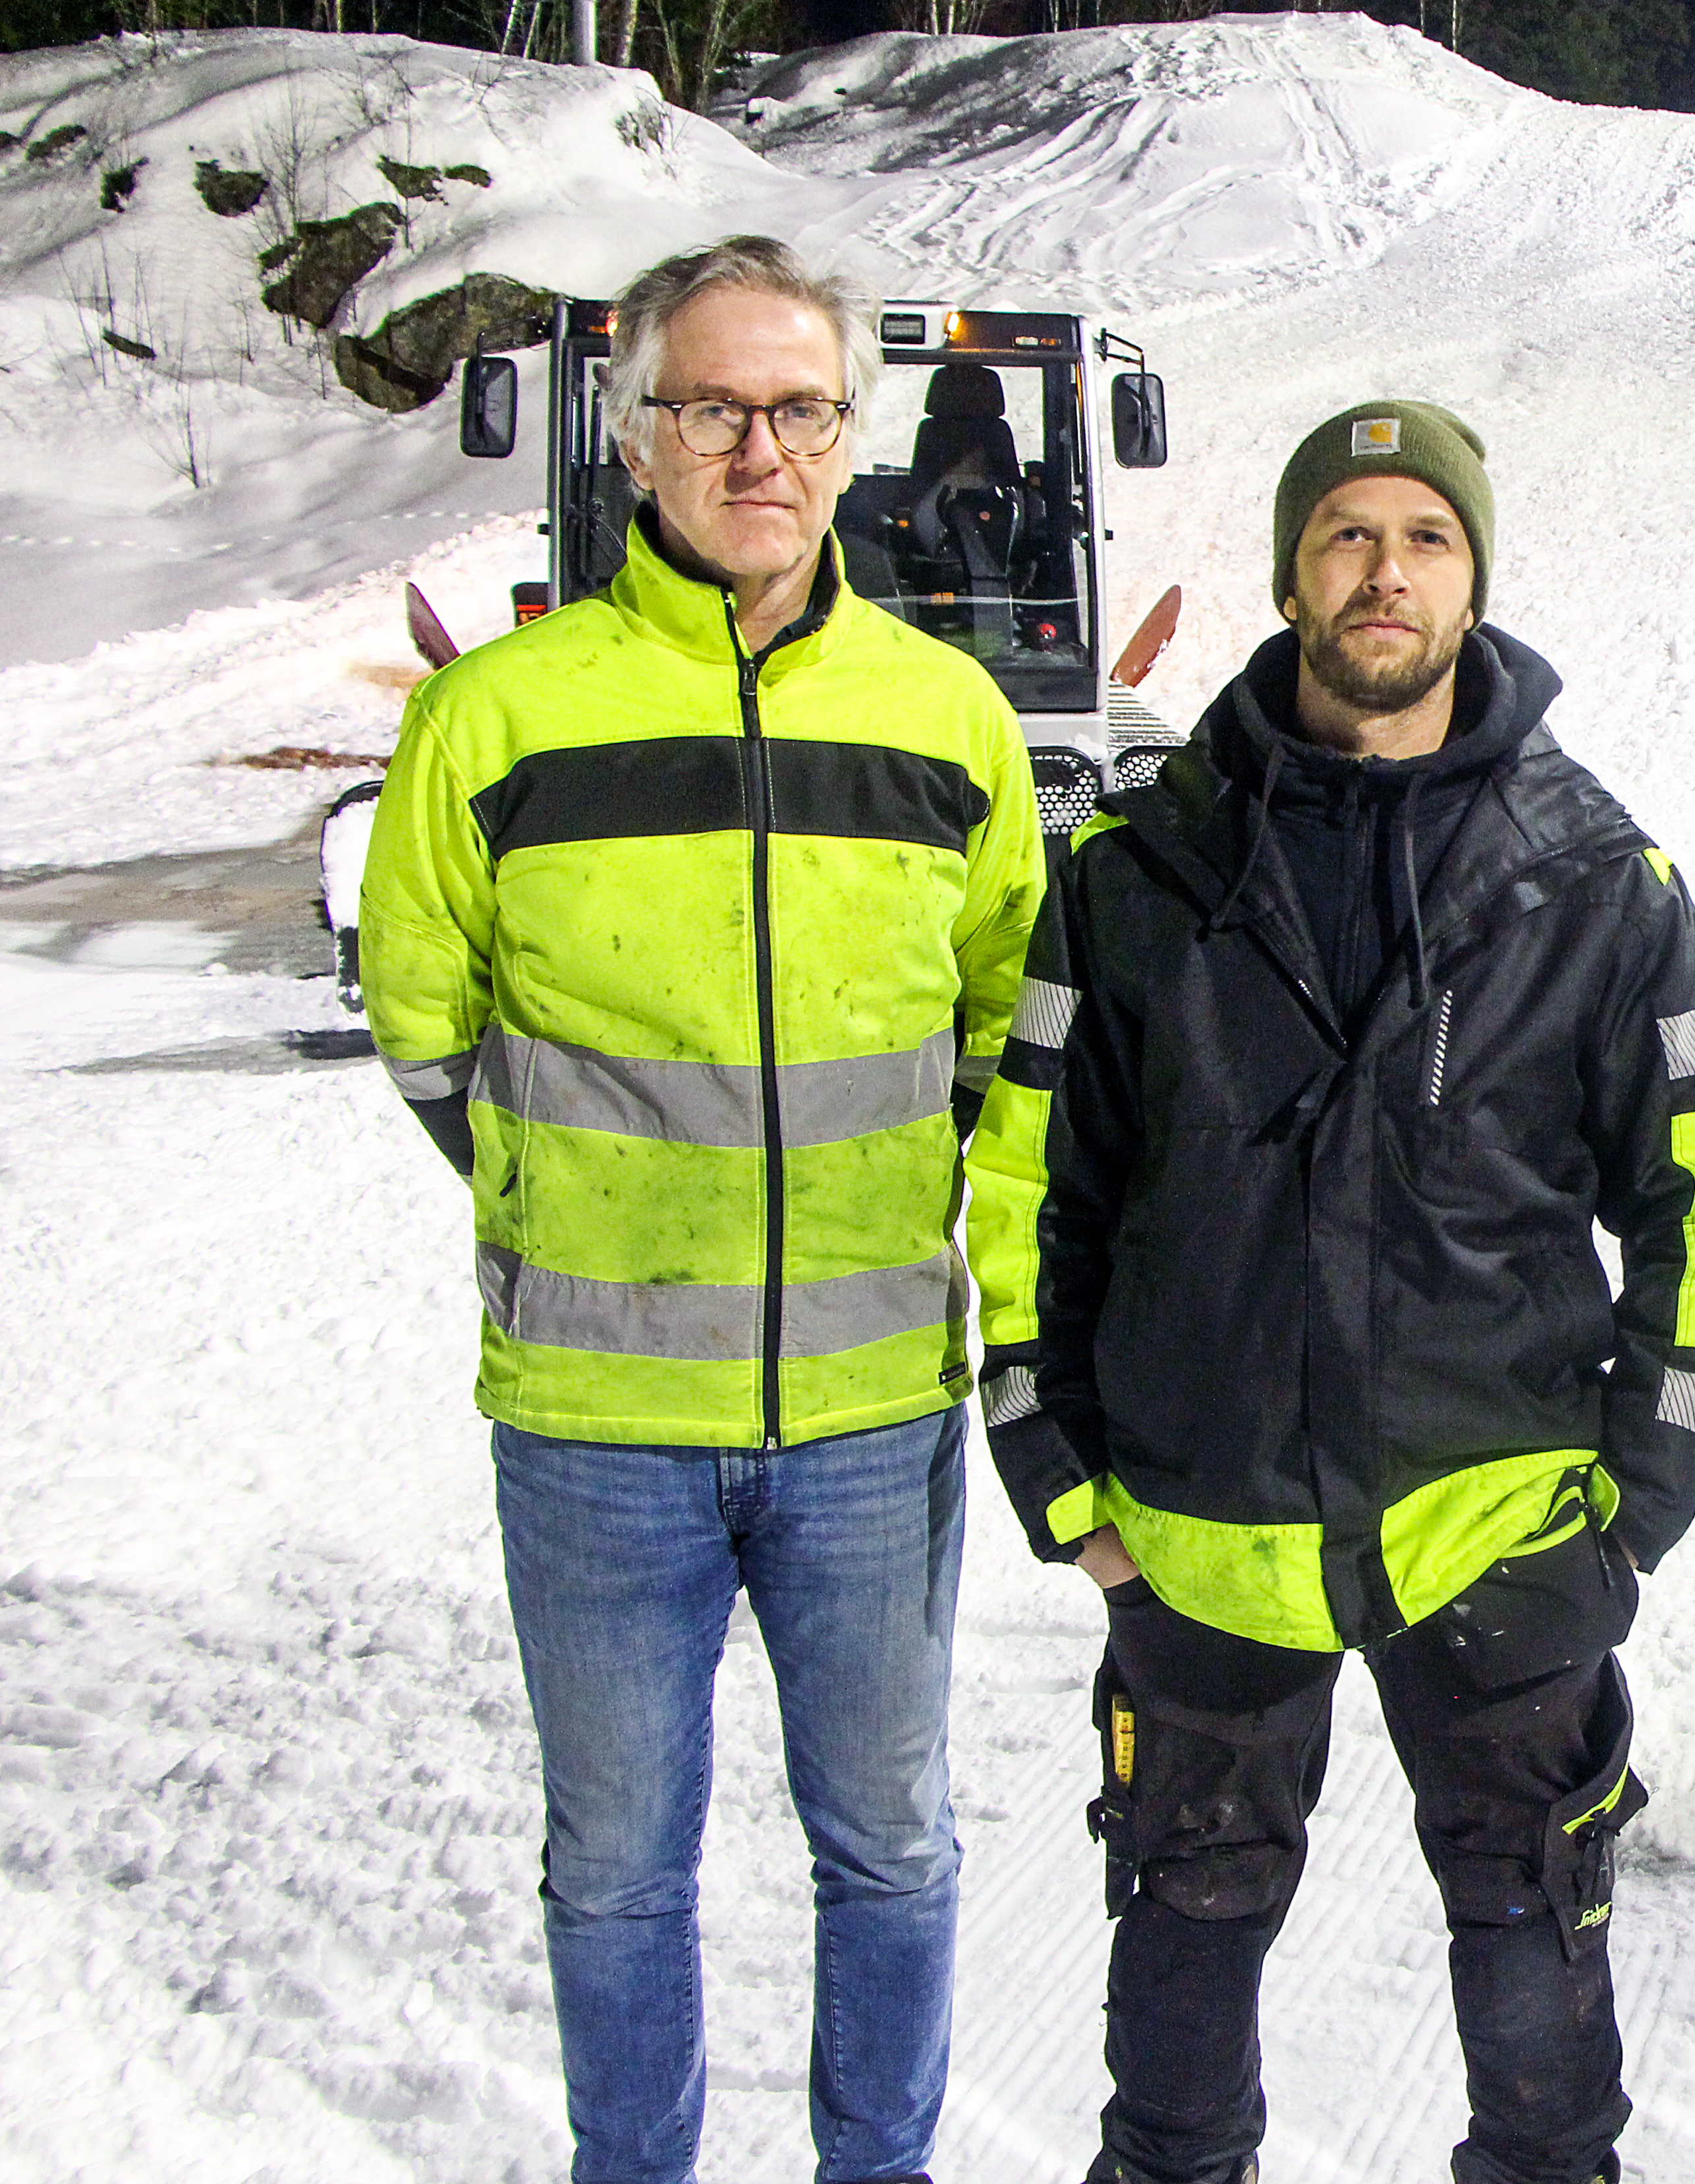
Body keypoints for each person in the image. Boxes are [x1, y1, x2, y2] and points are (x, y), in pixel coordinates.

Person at [962, 399, 1695, 2184]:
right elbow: (1031, 1191)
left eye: (1423, 536)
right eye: (1346, 535)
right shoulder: (1136, 875)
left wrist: (1637, 1503)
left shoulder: (1593, 879)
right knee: (1183, 1972)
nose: (1383, 570)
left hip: (1497, 1531)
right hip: (1197, 1532)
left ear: (1474, 578)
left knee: (1540, 1991)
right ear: (1290, 576)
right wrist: (1065, 1483)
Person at [360, 235, 1045, 2184]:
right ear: (638, 437)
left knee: (893, 1849)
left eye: (801, 410)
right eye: (715, 408)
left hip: (866, 1413)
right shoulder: (495, 721)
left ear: (852, 438)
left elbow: (1008, 1023)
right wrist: (555, 1196)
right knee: (615, 1870)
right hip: (592, 1428)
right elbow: (428, 1026)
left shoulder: (946, 719)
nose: (761, 450)